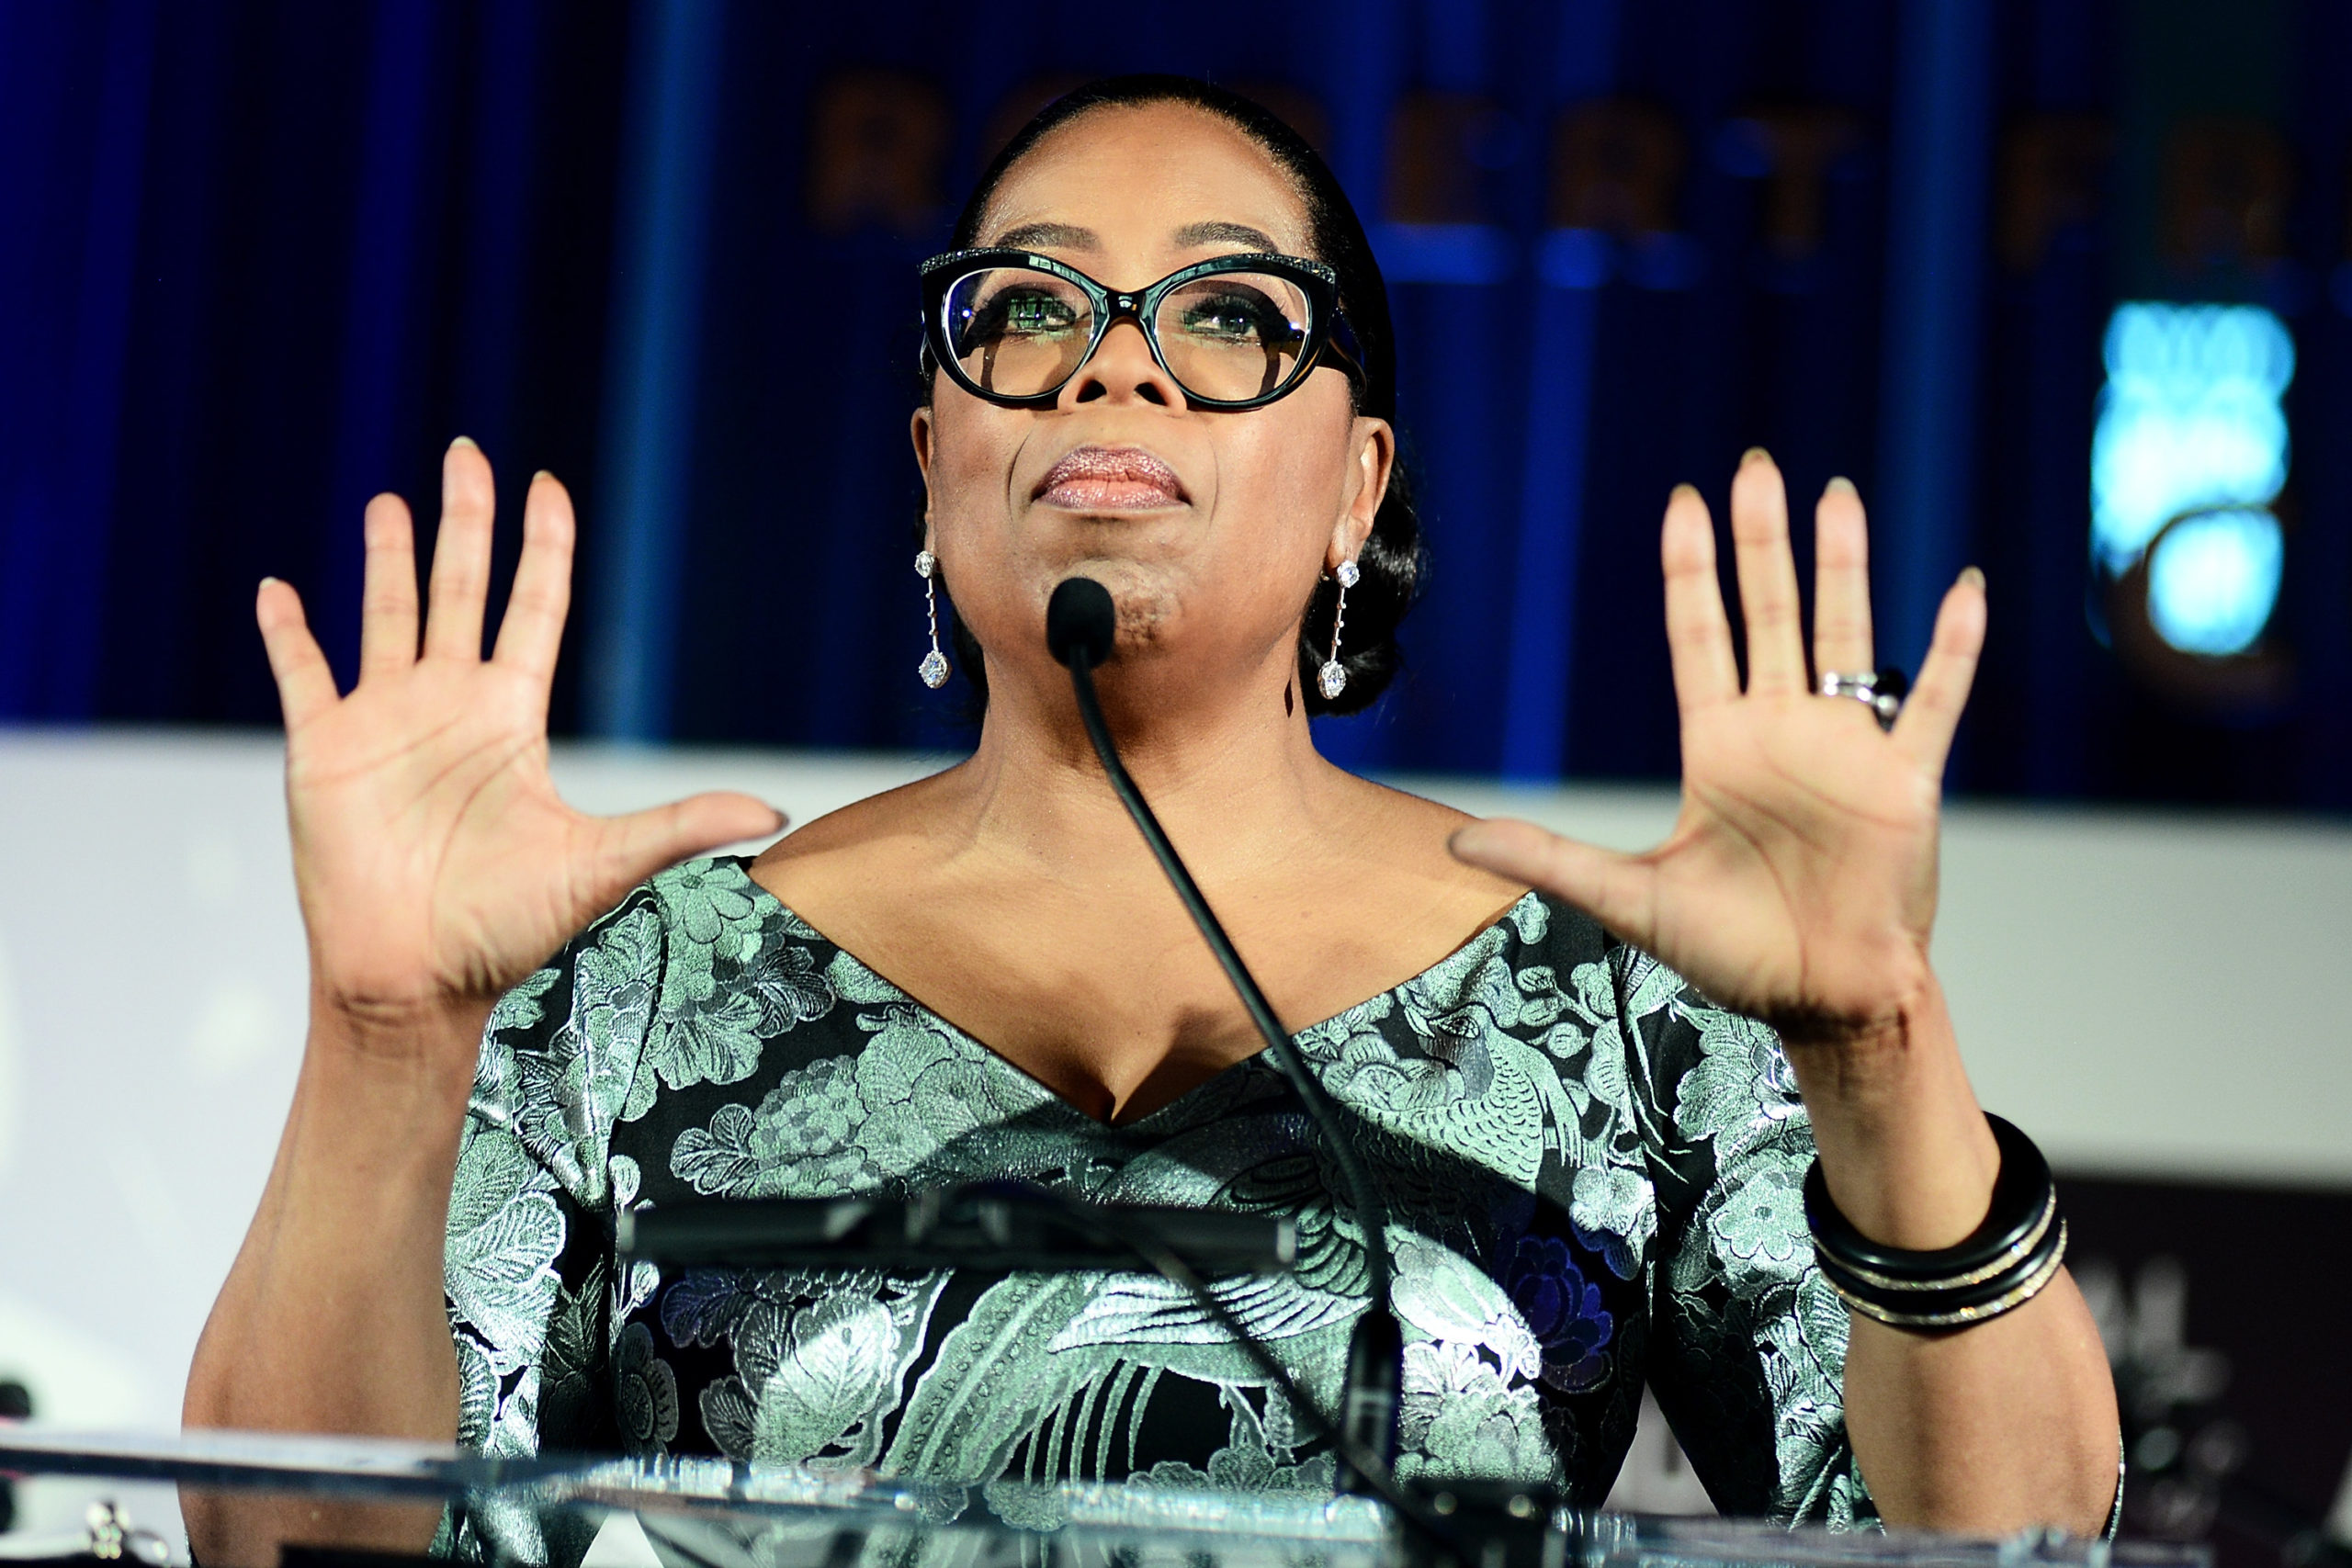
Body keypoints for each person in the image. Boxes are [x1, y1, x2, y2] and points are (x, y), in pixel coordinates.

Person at [184, 74, 2120, 1564]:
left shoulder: (1618, 1005)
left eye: (1224, 313)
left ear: (1355, 483)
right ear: (938, 459)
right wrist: (383, 1038)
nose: (1113, 356)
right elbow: (300, 1546)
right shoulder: (634, 986)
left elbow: (1992, 1545)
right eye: (1023, 308)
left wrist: (1877, 1046)